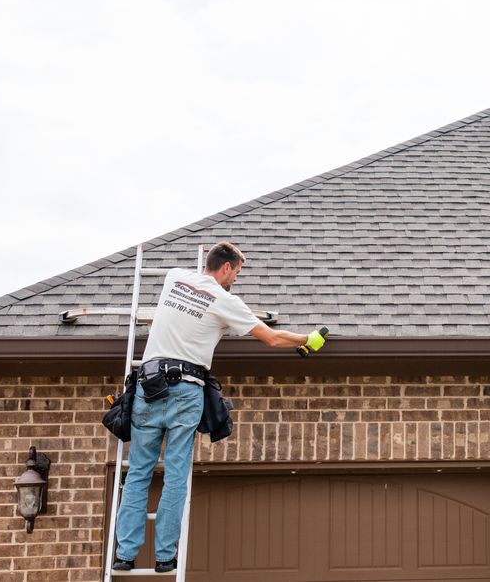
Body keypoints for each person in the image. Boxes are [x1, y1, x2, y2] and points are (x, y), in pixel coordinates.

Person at [112, 242, 328, 573]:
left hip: (148, 386)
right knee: (175, 476)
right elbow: (271, 338)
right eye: (237, 273)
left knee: (138, 473)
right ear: (225, 268)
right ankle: (164, 557)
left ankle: (125, 556)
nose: (236, 280)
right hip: (185, 390)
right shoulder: (226, 301)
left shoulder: (173, 277)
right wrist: (307, 340)